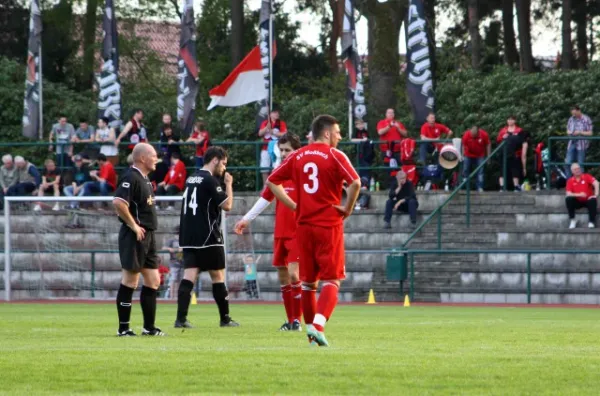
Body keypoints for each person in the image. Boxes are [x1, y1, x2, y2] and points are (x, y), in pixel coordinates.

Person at [267, 114, 361, 347]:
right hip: (328, 225)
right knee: (332, 280)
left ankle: (311, 336)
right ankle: (318, 326)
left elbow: (272, 181)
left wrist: (293, 205)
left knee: (309, 284)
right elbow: (356, 183)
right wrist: (347, 209)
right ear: (327, 133)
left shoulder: (298, 155)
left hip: (303, 227)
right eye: (338, 132)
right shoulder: (334, 155)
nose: (340, 137)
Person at [234, 134, 303, 331]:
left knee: (294, 275)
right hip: (280, 231)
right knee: (283, 276)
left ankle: (297, 320)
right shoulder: (278, 173)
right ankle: (290, 321)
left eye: (287, 150)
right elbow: (265, 198)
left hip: (298, 232)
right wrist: (247, 219)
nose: (283, 154)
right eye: (280, 150)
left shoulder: (302, 172)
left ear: (296, 151)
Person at [175, 146, 239, 328]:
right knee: (218, 276)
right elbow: (227, 205)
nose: (224, 168)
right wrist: (228, 184)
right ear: (215, 160)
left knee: (189, 275)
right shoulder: (210, 180)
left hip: (188, 236)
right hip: (208, 236)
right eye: (223, 163)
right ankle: (225, 319)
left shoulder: (191, 178)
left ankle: (180, 319)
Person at [112, 143, 164, 336]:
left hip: (148, 235)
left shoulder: (146, 179)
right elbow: (118, 202)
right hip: (135, 235)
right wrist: (133, 225)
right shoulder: (130, 177)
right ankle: (123, 328)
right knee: (130, 280)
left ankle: (149, 328)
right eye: (153, 155)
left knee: (153, 281)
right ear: (142, 158)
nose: (156, 159)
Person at [498, 116, 528, 191]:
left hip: (515, 154)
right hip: (504, 153)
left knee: (515, 170)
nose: (510, 121)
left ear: (515, 121)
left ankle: (516, 186)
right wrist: (503, 137)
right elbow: (498, 140)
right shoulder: (503, 130)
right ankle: (502, 187)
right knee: (502, 170)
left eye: (512, 119)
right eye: (508, 119)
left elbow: (523, 143)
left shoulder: (519, 130)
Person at [565, 163, 599, 229]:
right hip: (578, 201)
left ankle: (591, 222)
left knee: (593, 200)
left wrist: (596, 194)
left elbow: (596, 183)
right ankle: (573, 220)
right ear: (572, 171)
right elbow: (568, 193)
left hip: (588, 200)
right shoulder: (570, 180)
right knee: (568, 199)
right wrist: (579, 194)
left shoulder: (586, 176)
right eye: (575, 169)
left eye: (578, 168)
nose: (577, 170)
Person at [258, 109, 287, 184]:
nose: (277, 114)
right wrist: (266, 128)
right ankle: (265, 185)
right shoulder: (265, 123)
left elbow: (285, 134)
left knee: (277, 166)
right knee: (264, 167)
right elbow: (260, 133)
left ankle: (276, 184)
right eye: (275, 112)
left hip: (277, 148)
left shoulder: (281, 123)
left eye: (278, 112)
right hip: (265, 148)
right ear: (270, 114)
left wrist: (274, 132)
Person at [565, 105, 593, 177]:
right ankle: (569, 183)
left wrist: (580, 132)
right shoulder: (571, 119)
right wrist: (570, 132)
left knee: (580, 164)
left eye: (575, 113)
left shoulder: (586, 119)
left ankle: (581, 183)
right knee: (567, 163)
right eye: (572, 114)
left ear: (579, 110)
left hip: (582, 144)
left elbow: (590, 133)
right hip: (571, 142)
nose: (574, 115)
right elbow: (567, 130)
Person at [461, 126, 491, 192]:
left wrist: (489, 156)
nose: (473, 137)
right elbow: (463, 145)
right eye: (472, 135)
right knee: (465, 169)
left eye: (474, 136)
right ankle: (465, 187)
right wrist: (463, 155)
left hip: (480, 155)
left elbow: (488, 144)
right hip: (468, 154)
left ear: (478, 133)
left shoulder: (484, 134)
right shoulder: (466, 135)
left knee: (480, 171)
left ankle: (480, 187)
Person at [162, 226, 184, 299]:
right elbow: (164, 248)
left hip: (183, 263)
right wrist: (170, 249)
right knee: (174, 279)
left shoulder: (184, 240)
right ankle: (172, 297)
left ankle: (178, 296)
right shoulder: (172, 240)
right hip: (174, 262)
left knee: (181, 280)